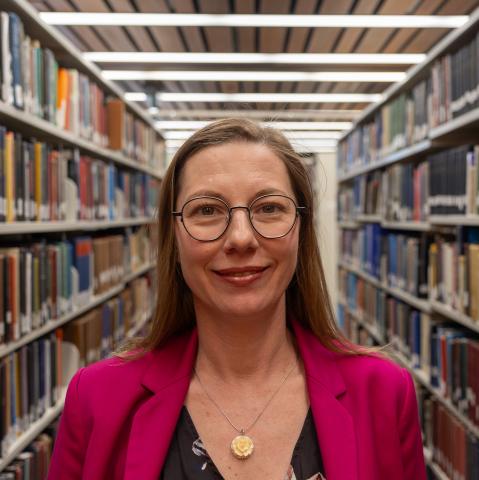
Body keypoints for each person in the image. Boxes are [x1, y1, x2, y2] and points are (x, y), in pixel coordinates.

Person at [47, 118, 427, 480]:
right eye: (208, 210)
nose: (241, 238)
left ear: (301, 230)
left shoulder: (384, 393)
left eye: (269, 208)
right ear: (173, 238)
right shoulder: (96, 399)